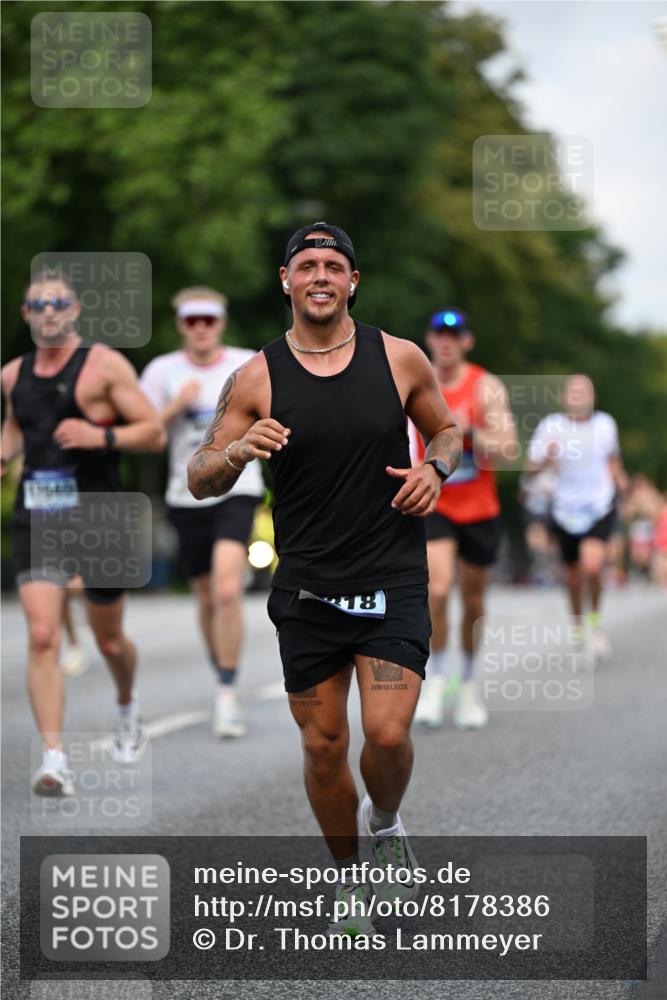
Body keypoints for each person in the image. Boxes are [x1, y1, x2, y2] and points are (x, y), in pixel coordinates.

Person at [188, 222, 461, 934]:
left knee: (389, 733)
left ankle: (388, 821)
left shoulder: (398, 359)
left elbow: (446, 431)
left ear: (351, 281)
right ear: (285, 280)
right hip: (307, 584)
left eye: (332, 265)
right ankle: (347, 881)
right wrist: (240, 449)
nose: (319, 275)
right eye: (305, 264)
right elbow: (199, 477)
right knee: (321, 745)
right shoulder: (255, 376)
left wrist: (434, 469)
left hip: (392, 574)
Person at [0, 268, 164, 796]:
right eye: (39, 305)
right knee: (43, 634)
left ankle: (126, 705)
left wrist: (100, 434)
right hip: (38, 516)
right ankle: (54, 759)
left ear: (73, 311)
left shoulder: (103, 365)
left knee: (109, 639)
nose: (49, 312)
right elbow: (17, 427)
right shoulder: (11, 376)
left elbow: (153, 433)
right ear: (26, 315)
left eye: (59, 303)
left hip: (99, 514)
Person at [140, 287, 264, 737]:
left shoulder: (247, 363)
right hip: (185, 493)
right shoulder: (162, 371)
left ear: (221, 322)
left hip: (238, 486)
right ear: (180, 324)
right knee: (207, 596)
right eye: (192, 320)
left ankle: (226, 693)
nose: (200, 327)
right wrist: (176, 404)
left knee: (228, 589)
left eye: (208, 319)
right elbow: (143, 433)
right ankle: (221, 674)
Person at [412, 309, 517, 730]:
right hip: (434, 501)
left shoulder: (484, 386)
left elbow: (508, 448)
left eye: (454, 335)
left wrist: (469, 433)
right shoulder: (418, 382)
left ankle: (469, 683)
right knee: (437, 591)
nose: (446, 342)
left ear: (467, 342)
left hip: (478, 508)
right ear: (429, 339)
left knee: (473, 601)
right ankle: (437, 681)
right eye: (439, 334)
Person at [525, 373, 627, 661]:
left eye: (585, 391)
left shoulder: (606, 425)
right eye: (573, 391)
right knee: (572, 577)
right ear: (564, 398)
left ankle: (594, 621)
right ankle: (578, 626)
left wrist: (620, 478)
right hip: (564, 510)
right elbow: (529, 471)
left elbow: (613, 459)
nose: (579, 396)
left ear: (593, 397)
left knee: (592, 566)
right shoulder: (551, 427)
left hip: (599, 506)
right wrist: (547, 458)